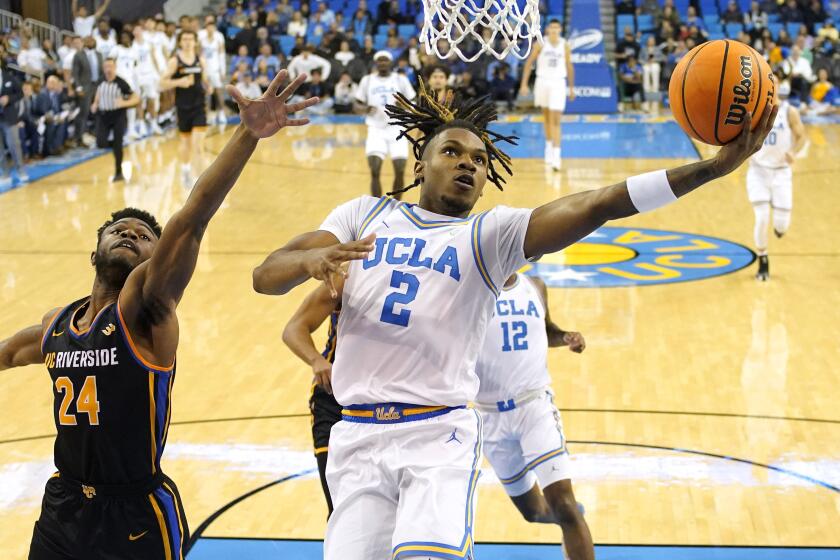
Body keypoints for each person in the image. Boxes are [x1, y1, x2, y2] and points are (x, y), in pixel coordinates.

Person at [250, 82, 777, 560]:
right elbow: (264, 275)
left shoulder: (490, 236)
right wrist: (307, 262)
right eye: (451, 151)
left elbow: (600, 203)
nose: (468, 164)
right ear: (418, 164)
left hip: (438, 435)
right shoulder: (361, 215)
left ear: (485, 181)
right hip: (358, 434)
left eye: (480, 160)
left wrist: (709, 169)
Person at [0, 68, 317, 560]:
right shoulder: (57, 325)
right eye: (118, 229)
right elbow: (4, 353)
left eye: (144, 236)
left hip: (134, 514)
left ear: (156, 263)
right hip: (63, 506)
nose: (129, 234)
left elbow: (193, 215)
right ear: (94, 252)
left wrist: (246, 135)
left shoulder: (145, 309)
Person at [474, 272, 592, 559]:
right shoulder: (474, 287)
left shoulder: (535, 286)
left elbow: (546, 328)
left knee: (562, 504)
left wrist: (564, 337)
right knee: (534, 512)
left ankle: (569, 518)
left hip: (534, 407)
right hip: (489, 417)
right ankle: (569, 518)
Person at [282, 280, 345, 517]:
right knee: (339, 510)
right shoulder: (348, 276)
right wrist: (316, 360)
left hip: (386, 404)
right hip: (332, 402)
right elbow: (293, 329)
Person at [746, 81, 805, 281]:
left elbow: (800, 136)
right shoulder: (753, 111)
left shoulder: (789, 111)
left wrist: (793, 152)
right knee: (761, 218)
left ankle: (779, 229)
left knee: (781, 225)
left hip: (781, 172)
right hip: (758, 171)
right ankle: (763, 260)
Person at [353, 50, 415, 199]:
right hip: (375, 129)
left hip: (397, 128)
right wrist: (364, 109)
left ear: (390, 62)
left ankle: (395, 205)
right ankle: (377, 205)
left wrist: (404, 106)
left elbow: (413, 103)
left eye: (385, 60)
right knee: (374, 170)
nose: (382, 63)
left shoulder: (400, 80)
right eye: (379, 60)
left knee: (400, 169)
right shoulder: (367, 80)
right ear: (375, 63)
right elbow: (356, 105)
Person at [519, 19, 575, 170]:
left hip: (558, 82)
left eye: (557, 27)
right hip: (542, 81)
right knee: (546, 117)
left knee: (556, 119)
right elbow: (529, 63)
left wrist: (571, 87)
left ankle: (557, 156)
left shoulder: (565, 45)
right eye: (552, 27)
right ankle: (548, 147)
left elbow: (569, 66)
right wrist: (524, 84)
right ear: (548, 29)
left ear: (560, 29)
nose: (554, 30)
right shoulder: (540, 43)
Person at [160, 30, 209, 187]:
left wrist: (209, 87)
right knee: (186, 144)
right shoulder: (175, 61)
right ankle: (186, 170)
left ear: (195, 42)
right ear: (180, 42)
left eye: (190, 39)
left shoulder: (200, 60)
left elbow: (205, 81)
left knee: (198, 146)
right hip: (182, 107)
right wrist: (178, 82)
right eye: (185, 39)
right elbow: (161, 84)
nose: (188, 42)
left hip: (199, 107)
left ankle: (201, 183)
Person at [91, 58, 139, 182]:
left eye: (110, 66)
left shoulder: (121, 83)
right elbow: (98, 93)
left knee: (118, 146)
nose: (108, 69)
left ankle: (119, 173)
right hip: (103, 115)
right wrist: (95, 104)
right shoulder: (100, 81)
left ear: (115, 68)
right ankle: (115, 145)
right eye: (106, 66)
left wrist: (124, 103)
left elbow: (136, 98)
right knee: (100, 142)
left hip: (118, 116)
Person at [0, 52, 28, 188]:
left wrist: (8, 99)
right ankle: (4, 173)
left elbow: (20, 93)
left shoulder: (9, 77)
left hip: (9, 117)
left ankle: (20, 170)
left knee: (13, 144)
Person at [71, 36, 103, 147]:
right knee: (83, 113)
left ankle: (95, 134)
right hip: (85, 87)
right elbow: (75, 73)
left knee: (99, 111)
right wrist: (78, 88)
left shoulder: (99, 54)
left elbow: (102, 72)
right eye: (89, 40)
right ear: (84, 42)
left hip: (97, 86)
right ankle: (79, 137)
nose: (91, 41)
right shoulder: (79, 55)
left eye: (93, 40)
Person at [131, 25, 163, 136]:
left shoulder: (149, 44)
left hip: (149, 74)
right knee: (139, 101)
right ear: (133, 32)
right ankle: (141, 124)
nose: (137, 31)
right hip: (138, 76)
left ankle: (153, 123)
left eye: (139, 29)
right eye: (135, 30)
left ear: (142, 31)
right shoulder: (131, 45)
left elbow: (154, 58)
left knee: (152, 99)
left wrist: (159, 72)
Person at [198, 16, 228, 126]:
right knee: (207, 93)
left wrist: (222, 71)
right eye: (208, 27)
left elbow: (221, 55)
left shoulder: (218, 40)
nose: (210, 29)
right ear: (206, 28)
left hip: (215, 69)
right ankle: (208, 114)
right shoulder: (202, 40)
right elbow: (199, 55)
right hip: (205, 70)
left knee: (218, 91)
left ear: (214, 28)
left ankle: (221, 112)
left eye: (212, 27)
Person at [110, 31, 140, 140]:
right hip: (118, 80)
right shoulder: (116, 49)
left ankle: (131, 130)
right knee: (117, 105)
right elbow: (110, 64)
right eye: (122, 37)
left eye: (126, 37)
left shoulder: (134, 51)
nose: (124, 39)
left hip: (130, 81)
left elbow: (135, 66)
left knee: (131, 105)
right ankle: (116, 131)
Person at [33, 75, 69, 157]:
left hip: (53, 116)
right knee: (51, 124)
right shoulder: (43, 94)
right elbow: (43, 110)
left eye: (56, 84)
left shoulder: (55, 93)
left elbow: (57, 108)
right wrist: (54, 118)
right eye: (54, 83)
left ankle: (57, 147)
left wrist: (59, 116)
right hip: (42, 118)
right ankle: (48, 150)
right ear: (49, 83)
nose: (56, 85)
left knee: (62, 122)